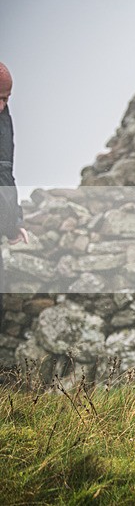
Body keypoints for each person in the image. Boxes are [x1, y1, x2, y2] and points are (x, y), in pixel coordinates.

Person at [0, 62, 30, 323]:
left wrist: (13, 222)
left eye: (6, 99)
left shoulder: (3, 120)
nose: (2, 106)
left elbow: (4, 174)